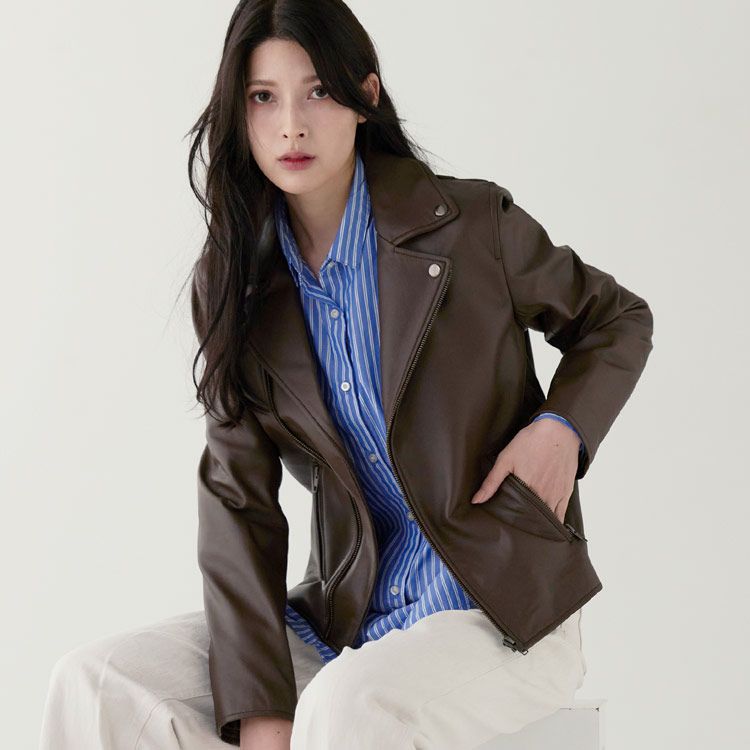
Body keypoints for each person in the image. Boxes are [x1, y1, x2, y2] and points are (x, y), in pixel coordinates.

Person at [39, 1, 654, 749]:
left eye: (318, 92)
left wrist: (561, 430)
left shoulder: (468, 227)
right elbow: (238, 506)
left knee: (346, 705)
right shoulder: (236, 285)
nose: (291, 126)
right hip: (348, 620)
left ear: (365, 97)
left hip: (500, 614)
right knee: (95, 680)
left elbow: (616, 319)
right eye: (264, 97)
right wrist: (262, 707)